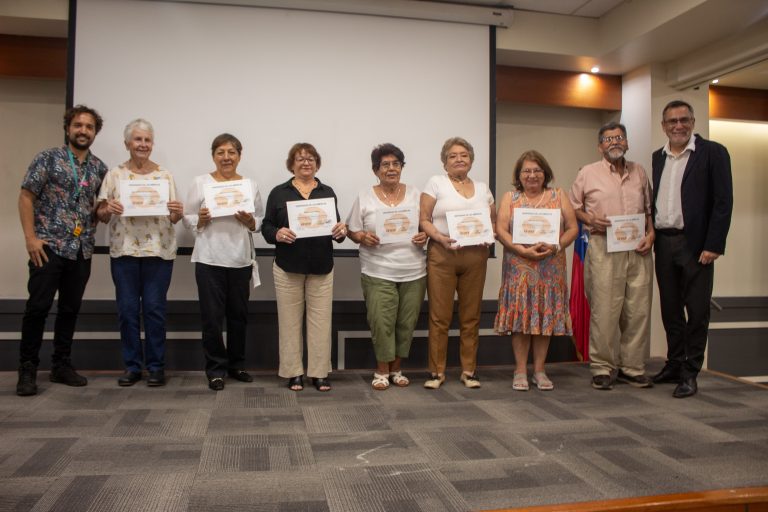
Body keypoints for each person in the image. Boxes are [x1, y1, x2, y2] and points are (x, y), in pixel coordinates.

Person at [16, 105, 109, 396]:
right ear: (68, 128)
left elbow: (96, 207)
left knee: (69, 310)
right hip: (47, 246)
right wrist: (30, 238)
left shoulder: (99, 168)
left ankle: (61, 365)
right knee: (38, 308)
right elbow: (26, 197)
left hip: (81, 249)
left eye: (89, 127)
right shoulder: (48, 158)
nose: (83, 131)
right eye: (78, 125)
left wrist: (104, 211)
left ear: (95, 132)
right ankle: (27, 369)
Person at [651, 100, 733, 398]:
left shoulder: (713, 153)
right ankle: (673, 364)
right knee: (670, 309)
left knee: (697, 311)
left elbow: (723, 203)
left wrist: (714, 244)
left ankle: (690, 372)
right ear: (664, 126)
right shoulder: (657, 158)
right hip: (663, 242)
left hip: (696, 245)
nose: (678, 126)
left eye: (684, 120)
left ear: (693, 121)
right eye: (672, 121)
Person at [96, 119, 183, 387]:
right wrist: (107, 209)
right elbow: (100, 214)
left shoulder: (164, 176)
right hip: (124, 253)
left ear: (152, 144)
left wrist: (177, 212)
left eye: (147, 140)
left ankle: (156, 367)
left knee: (155, 311)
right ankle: (132, 366)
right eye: (137, 140)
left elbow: (174, 217)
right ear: (127, 144)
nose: (143, 145)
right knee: (127, 311)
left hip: (158, 252)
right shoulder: (114, 174)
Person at [569, 122, 656, 391]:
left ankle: (632, 367)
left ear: (627, 143)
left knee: (638, 311)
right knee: (605, 311)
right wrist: (588, 217)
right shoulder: (587, 173)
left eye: (619, 138)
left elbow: (649, 211)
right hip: (603, 247)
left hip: (638, 249)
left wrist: (651, 235)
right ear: (600, 146)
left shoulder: (639, 172)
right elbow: (573, 210)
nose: (614, 142)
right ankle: (603, 367)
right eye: (608, 139)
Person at [262, 143, 347, 392]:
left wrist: (342, 231)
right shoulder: (279, 193)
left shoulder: (327, 192)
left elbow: (337, 232)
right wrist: (277, 233)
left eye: (310, 158)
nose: (305, 162)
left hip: (322, 267)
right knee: (289, 323)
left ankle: (319, 373)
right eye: (299, 159)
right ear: (292, 164)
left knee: (321, 323)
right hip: (288, 267)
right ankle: (293, 373)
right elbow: (266, 227)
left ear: (317, 163)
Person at [183, 133, 264, 391]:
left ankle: (237, 365)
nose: (226, 157)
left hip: (240, 259)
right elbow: (187, 216)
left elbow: (259, 220)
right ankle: (215, 370)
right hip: (209, 259)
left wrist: (251, 222)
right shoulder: (200, 182)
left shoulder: (250, 185)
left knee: (238, 317)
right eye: (221, 152)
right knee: (212, 319)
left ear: (240, 156)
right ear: (213, 156)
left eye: (231, 152)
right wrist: (201, 219)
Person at [346, 143, 427, 390]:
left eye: (396, 164)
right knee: (382, 322)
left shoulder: (416, 194)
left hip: (414, 270)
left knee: (406, 322)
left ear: (402, 167)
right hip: (377, 269)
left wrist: (425, 235)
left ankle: (397, 369)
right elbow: (351, 230)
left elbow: (427, 226)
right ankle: (382, 370)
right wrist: (362, 237)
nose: (391, 169)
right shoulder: (364, 196)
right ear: (375, 170)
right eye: (385, 165)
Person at [494, 150, 578, 391]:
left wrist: (558, 245)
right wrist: (521, 250)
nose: (532, 175)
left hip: (550, 268)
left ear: (545, 173)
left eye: (537, 170)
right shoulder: (510, 197)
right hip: (519, 268)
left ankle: (540, 370)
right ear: (519, 176)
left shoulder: (558, 195)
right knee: (522, 318)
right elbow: (501, 230)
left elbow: (572, 227)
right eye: (526, 171)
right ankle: (520, 370)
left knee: (544, 316)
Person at [419, 137, 495, 389]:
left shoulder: (483, 188)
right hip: (442, 254)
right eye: (452, 156)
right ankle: (436, 372)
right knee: (439, 316)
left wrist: (488, 236)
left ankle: (468, 371)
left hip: (475, 257)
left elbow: (492, 222)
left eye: (464, 155)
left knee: (470, 316)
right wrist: (438, 237)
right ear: (444, 162)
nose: (459, 159)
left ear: (471, 160)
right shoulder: (435, 183)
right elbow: (424, 219)